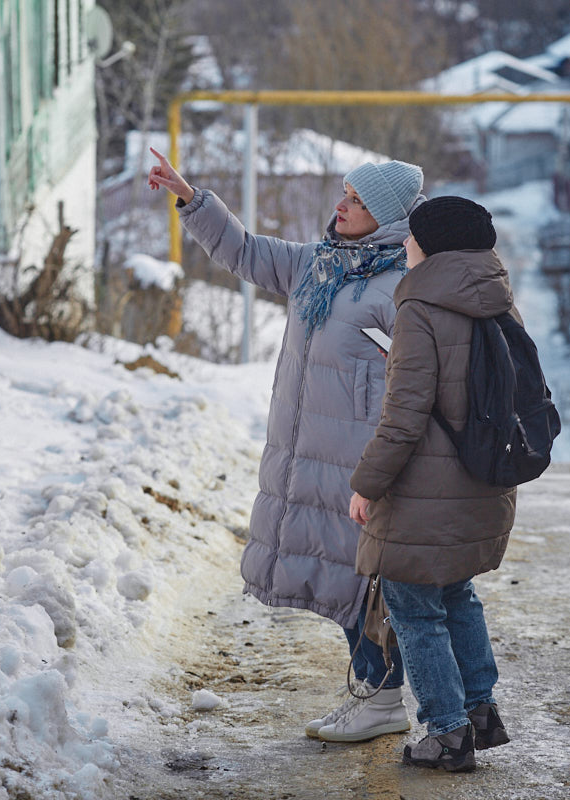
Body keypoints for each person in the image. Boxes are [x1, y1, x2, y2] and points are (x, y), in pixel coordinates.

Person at [148, 148, 423, 742]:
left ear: (388, 215)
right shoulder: (320, 265)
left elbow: (418, 384)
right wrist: (192, 199)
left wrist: (388, 466)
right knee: (343, 581)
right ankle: (373, 694)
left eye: (356, 200)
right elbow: (245, 252)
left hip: (362, 466)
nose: (340, 205)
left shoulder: (401, 287)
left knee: (367, 586)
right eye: (344, 194)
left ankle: (386, 697)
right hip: (309, 457)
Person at [348, 195, 517, 773]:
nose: (404, 244)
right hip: (481, 482)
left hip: (423, 493)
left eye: (412, 236)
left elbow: (404, 416)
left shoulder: (419, 307)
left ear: (434, 245)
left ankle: (446, 733)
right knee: (457, 595)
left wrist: (366, 485)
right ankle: (480, 709)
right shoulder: (498, 301)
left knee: (414, 608)